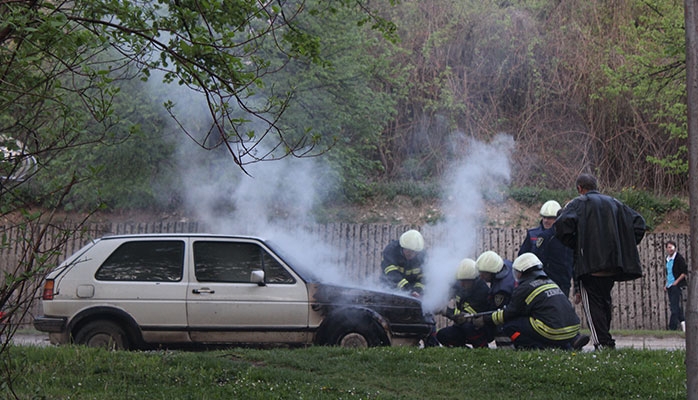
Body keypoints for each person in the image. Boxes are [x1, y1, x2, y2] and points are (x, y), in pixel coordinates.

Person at [554, 173, 646, 350]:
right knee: (604, 302)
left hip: (590, 265)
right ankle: (606, 341)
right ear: (596, 186)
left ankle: (602, 343)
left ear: (580, 189)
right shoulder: (615, 203)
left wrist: (576, 243)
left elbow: (561, 225)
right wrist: (623, 244)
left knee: (592, 305)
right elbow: (639, 224)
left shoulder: (578, 203)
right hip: (613, 265)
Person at [474, 253, 590, 350]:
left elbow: (510, 313)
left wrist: (485, 319)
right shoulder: (550, 281)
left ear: (523, 272)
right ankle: (569, 345)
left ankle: (539, 347)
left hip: (553, 330)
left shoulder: (524, 288)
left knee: (510, 325)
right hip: (573, 328)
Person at [518, 200, 574, 297]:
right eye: (544, 217)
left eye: (550, 218)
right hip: (537, 282)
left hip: (561, 282)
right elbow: (522, 256)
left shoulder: (565, 236)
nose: (546, 220)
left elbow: (570, 260)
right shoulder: (533, 234)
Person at [436, 258, 494, 348]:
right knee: (442, 335)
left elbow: (466, 316)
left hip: (481, 327)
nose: (462, 284)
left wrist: (445, 311)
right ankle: (464, 351)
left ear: (474, 280)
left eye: (465, 281)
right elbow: (447, 294)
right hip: (462, 326)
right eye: (460, 281)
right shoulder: (459, 284)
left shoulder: (482, 291)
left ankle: (481, 348)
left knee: (468, 326)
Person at [380, 229, 426, 297]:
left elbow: (424, 278)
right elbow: (391, 274)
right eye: (409, 251)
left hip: (412, 292)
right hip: (389, 289)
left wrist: (417, 290)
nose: (412, 255)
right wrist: (407, 289)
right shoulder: (391, 251)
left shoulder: (423, 257)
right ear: (402, 247)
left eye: (415, 252)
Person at [665, 240, 688, 331]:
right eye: (668, 247)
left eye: (671, 247)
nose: (670, 249)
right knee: (675, 306)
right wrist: (666, 284)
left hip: (676, 285)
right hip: (669, 285)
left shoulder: (679, 258)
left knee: (674, 307)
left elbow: (684, 273)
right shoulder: (667, 259)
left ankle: (672, 327)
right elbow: (669, 273)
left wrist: (676, 282)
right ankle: (683, 322)